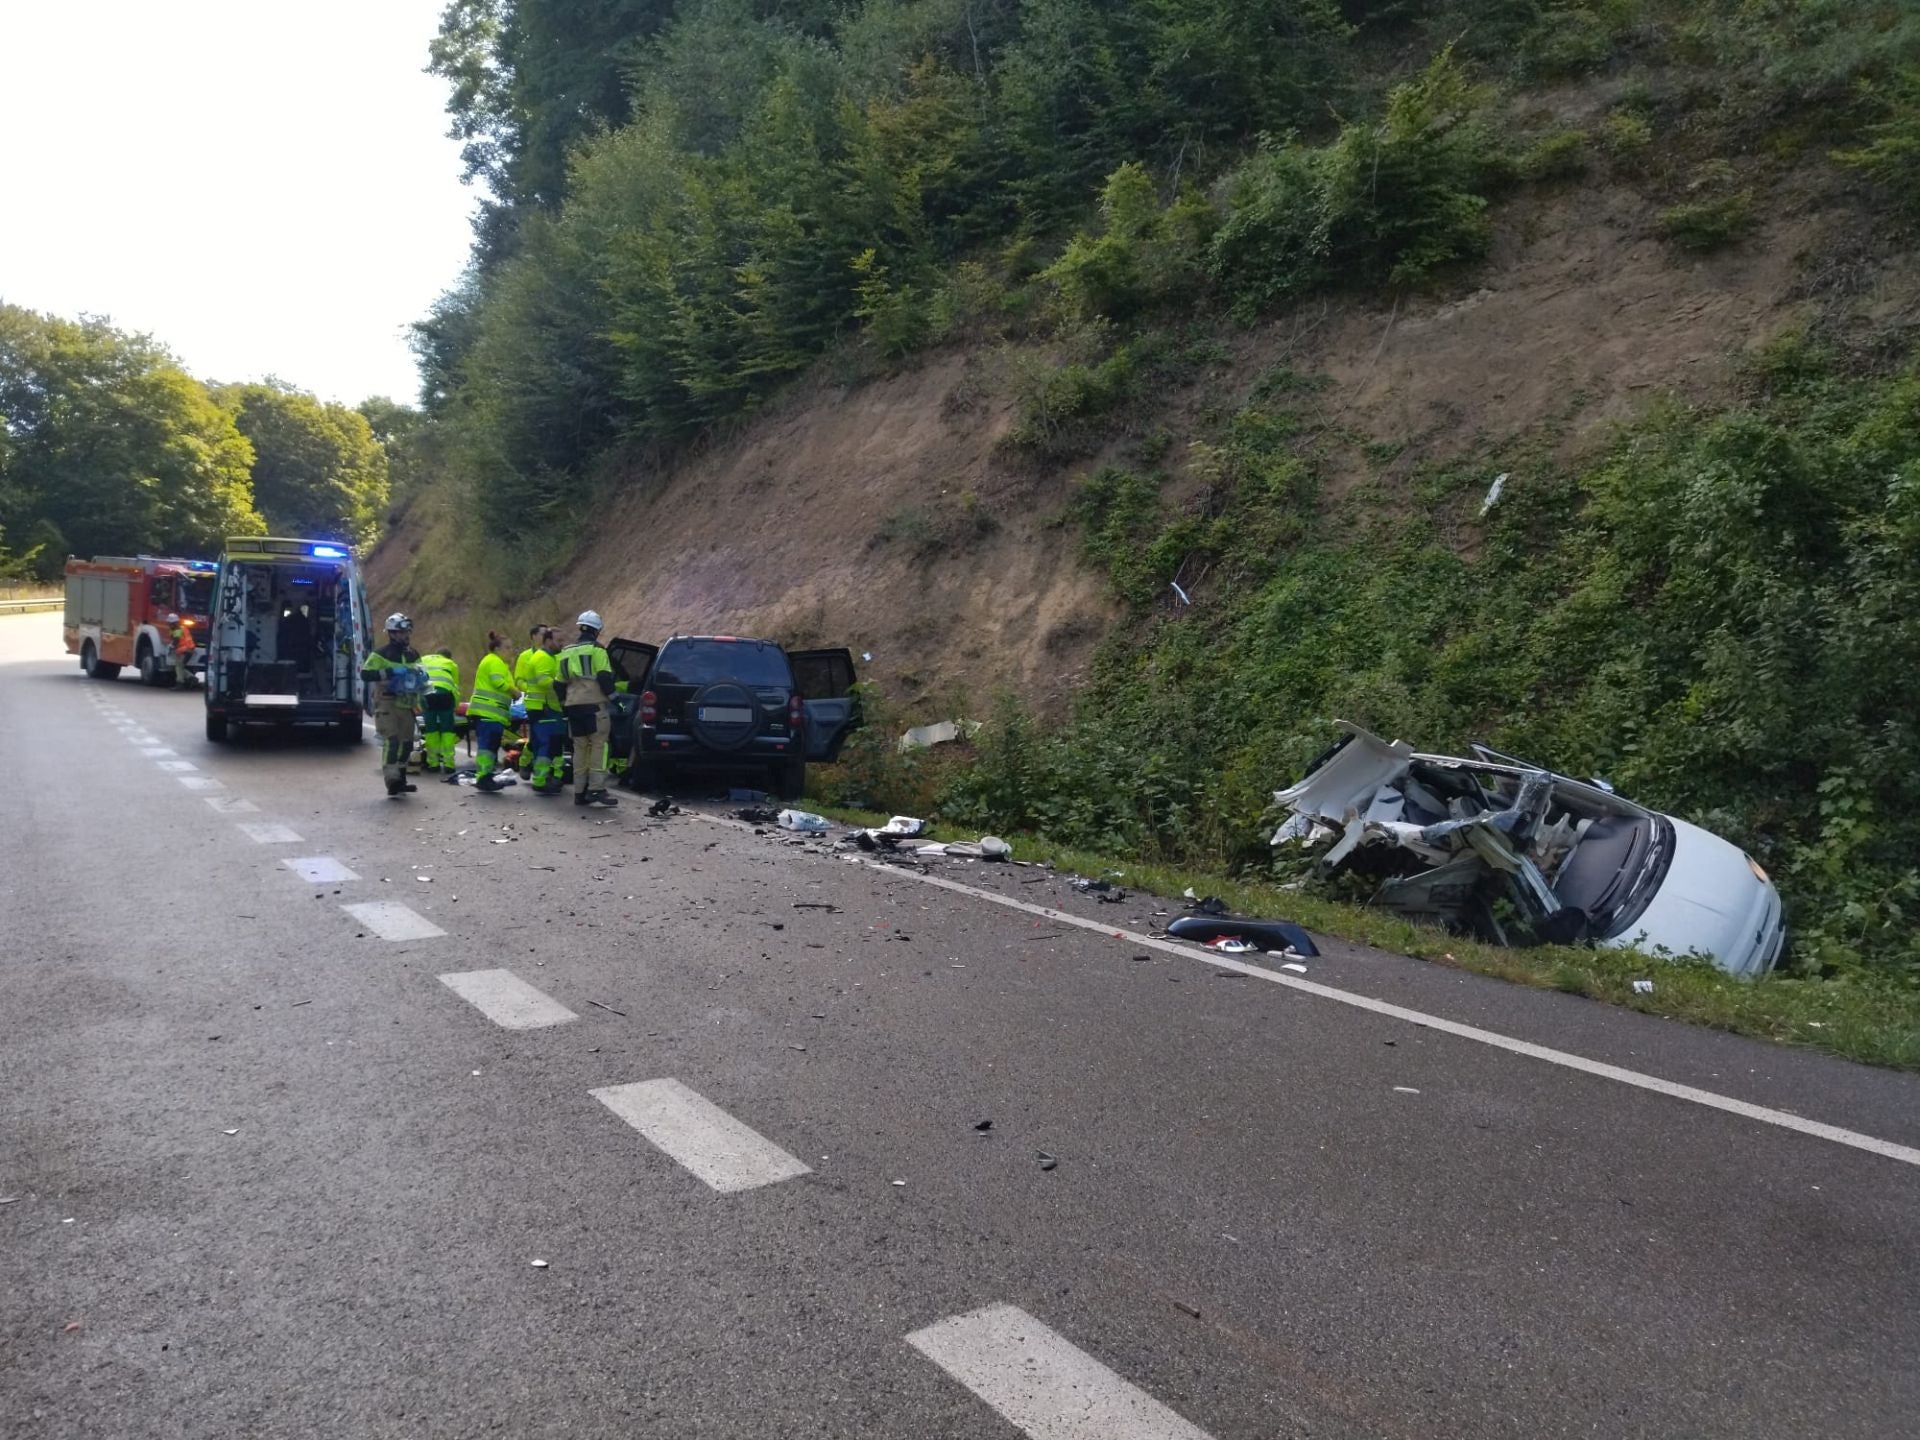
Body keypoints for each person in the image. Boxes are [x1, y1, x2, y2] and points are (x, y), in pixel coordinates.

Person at [555, 610, 619, 809]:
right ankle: (597, 789)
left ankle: (579, 792)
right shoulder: (597, 650)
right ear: (596, 630)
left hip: (573, 707)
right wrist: (618, 701)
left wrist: (565, 703)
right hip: (594, 708)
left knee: (580, 750)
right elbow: (604, 678)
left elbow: (558, 684)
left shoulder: (565, 652)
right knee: (599, 747)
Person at [361, 614, 423, 798]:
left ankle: (401, 779)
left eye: (407, 631)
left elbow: (421, 676)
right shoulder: (381, 654)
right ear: (393, 633)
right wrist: (389, 671)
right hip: (387, 702)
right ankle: (392, 780)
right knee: (392, 740)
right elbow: (365, 674)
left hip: (407, 704)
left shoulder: (413, 654)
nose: (406, 635)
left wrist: (422, 682)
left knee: (407, 743)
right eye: (402, 632)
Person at [467, 629, 518, 793]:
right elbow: (498, 683)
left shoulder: (497, 662)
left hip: (492, 714)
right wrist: (515, 692)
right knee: (487, 746)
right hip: (488, 713)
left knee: (490, 745)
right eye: (508, 648)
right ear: (497, 649)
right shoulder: (494, 661)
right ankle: (483, 777)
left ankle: (486, 775)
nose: (511, 651)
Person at [514, 624, 561, 792]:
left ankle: (553, 774)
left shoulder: (554, 655)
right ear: (533, 637)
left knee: (549, 740)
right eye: (541, 634)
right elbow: (519, 680)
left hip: (550, 704)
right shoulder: (526, 656)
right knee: (541, 741)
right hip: (539, 704)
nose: (543, 636)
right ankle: (527, 764)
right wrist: (531, 689)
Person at [419, 646, 462, 776]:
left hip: (427, 695)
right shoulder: (451, 664)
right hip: (444, 695)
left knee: (431, 729)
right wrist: (455, 705)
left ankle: (433, 763)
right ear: (448, 657)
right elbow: (454, 687)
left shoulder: (423, 659)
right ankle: (449, 764)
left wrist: (418, 703)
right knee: (447, 729)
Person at [167, 613, 196, 687]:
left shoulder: (177, 630)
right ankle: (191, 678)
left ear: (174, 623)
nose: (169, 625)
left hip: (183, 651)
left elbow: (176, 640)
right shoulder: (183, 628)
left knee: (179, 666)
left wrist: (171, 646)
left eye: (170, 623)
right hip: (189, 650)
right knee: (180, 666)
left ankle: (180, 683)